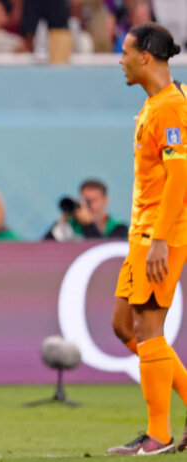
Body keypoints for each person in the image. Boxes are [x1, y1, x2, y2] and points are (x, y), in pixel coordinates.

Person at [106, 23, 187, 456]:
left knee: (150, 329)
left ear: (145, 58)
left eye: (125, 52)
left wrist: (158, 239)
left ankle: (159, 435)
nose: (119, 59)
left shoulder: (172, 108)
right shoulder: (155, 105)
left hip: (162, 235)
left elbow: (180, 176)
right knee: (124, 325)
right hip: (142, 234)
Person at [44, 179, 129, 241]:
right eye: (85, 201)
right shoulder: (72, 225)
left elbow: (103, 251)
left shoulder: (118, 227)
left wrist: (88, 224)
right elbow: (43, 247)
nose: (89, 206)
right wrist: (62, 222)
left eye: (93, 201)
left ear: (105, 200)